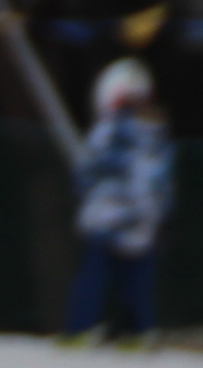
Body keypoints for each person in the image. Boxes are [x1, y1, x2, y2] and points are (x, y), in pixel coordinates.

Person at [63, 58, 173, 346]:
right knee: (136, 283)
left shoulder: (108, 130)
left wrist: (87, 194)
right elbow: (162, 183)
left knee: (94, 277)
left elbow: (87, 170)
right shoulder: (157, 137)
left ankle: (81, 328)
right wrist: (161, 218)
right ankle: (137, 333)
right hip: (143, 222)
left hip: (107, 215)